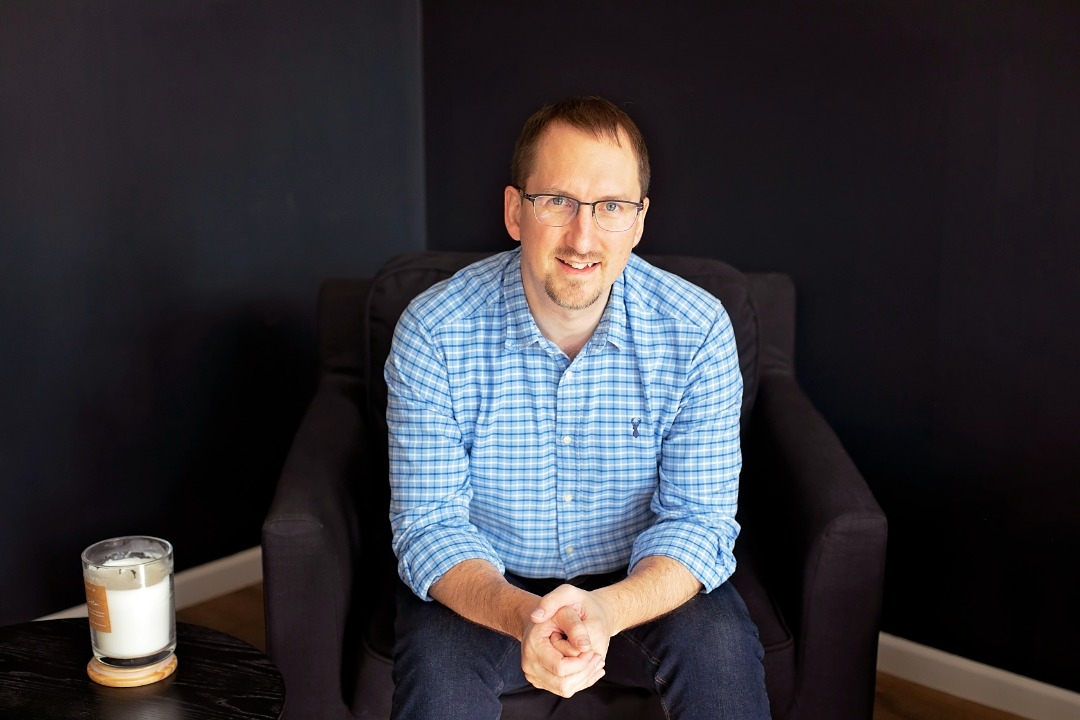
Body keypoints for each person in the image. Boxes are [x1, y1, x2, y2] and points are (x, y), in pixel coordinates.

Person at [385, 95, 770, 719]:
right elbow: (430, 526)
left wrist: (608, 609)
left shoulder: (697, 329)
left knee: (721, 656)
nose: (582, 236)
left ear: (640, 220)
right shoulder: (433, 331)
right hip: (485, 576)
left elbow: (699, 521)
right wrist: (522, 613)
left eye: (611, 207)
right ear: (515, 211)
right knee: (438, 690)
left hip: (645, 574)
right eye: (557, 201)